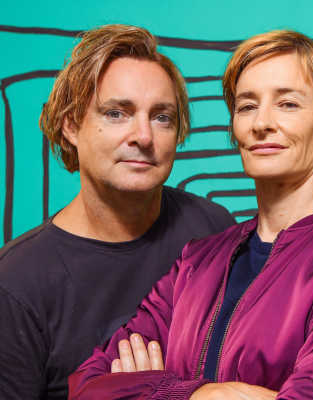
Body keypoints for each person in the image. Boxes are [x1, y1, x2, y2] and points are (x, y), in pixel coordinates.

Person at [68, 30, 313, 400]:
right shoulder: (196, 262)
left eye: (288, 104)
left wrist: (148, 390)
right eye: (247, 106)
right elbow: (87, 387)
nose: (261, 123)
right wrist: (200, 395)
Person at [0, 24, 234, 400]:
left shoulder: (213, 227)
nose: (143, 136)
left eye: (162, 117)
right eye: (116, 113)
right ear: (71, 125)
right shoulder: (16, 283)